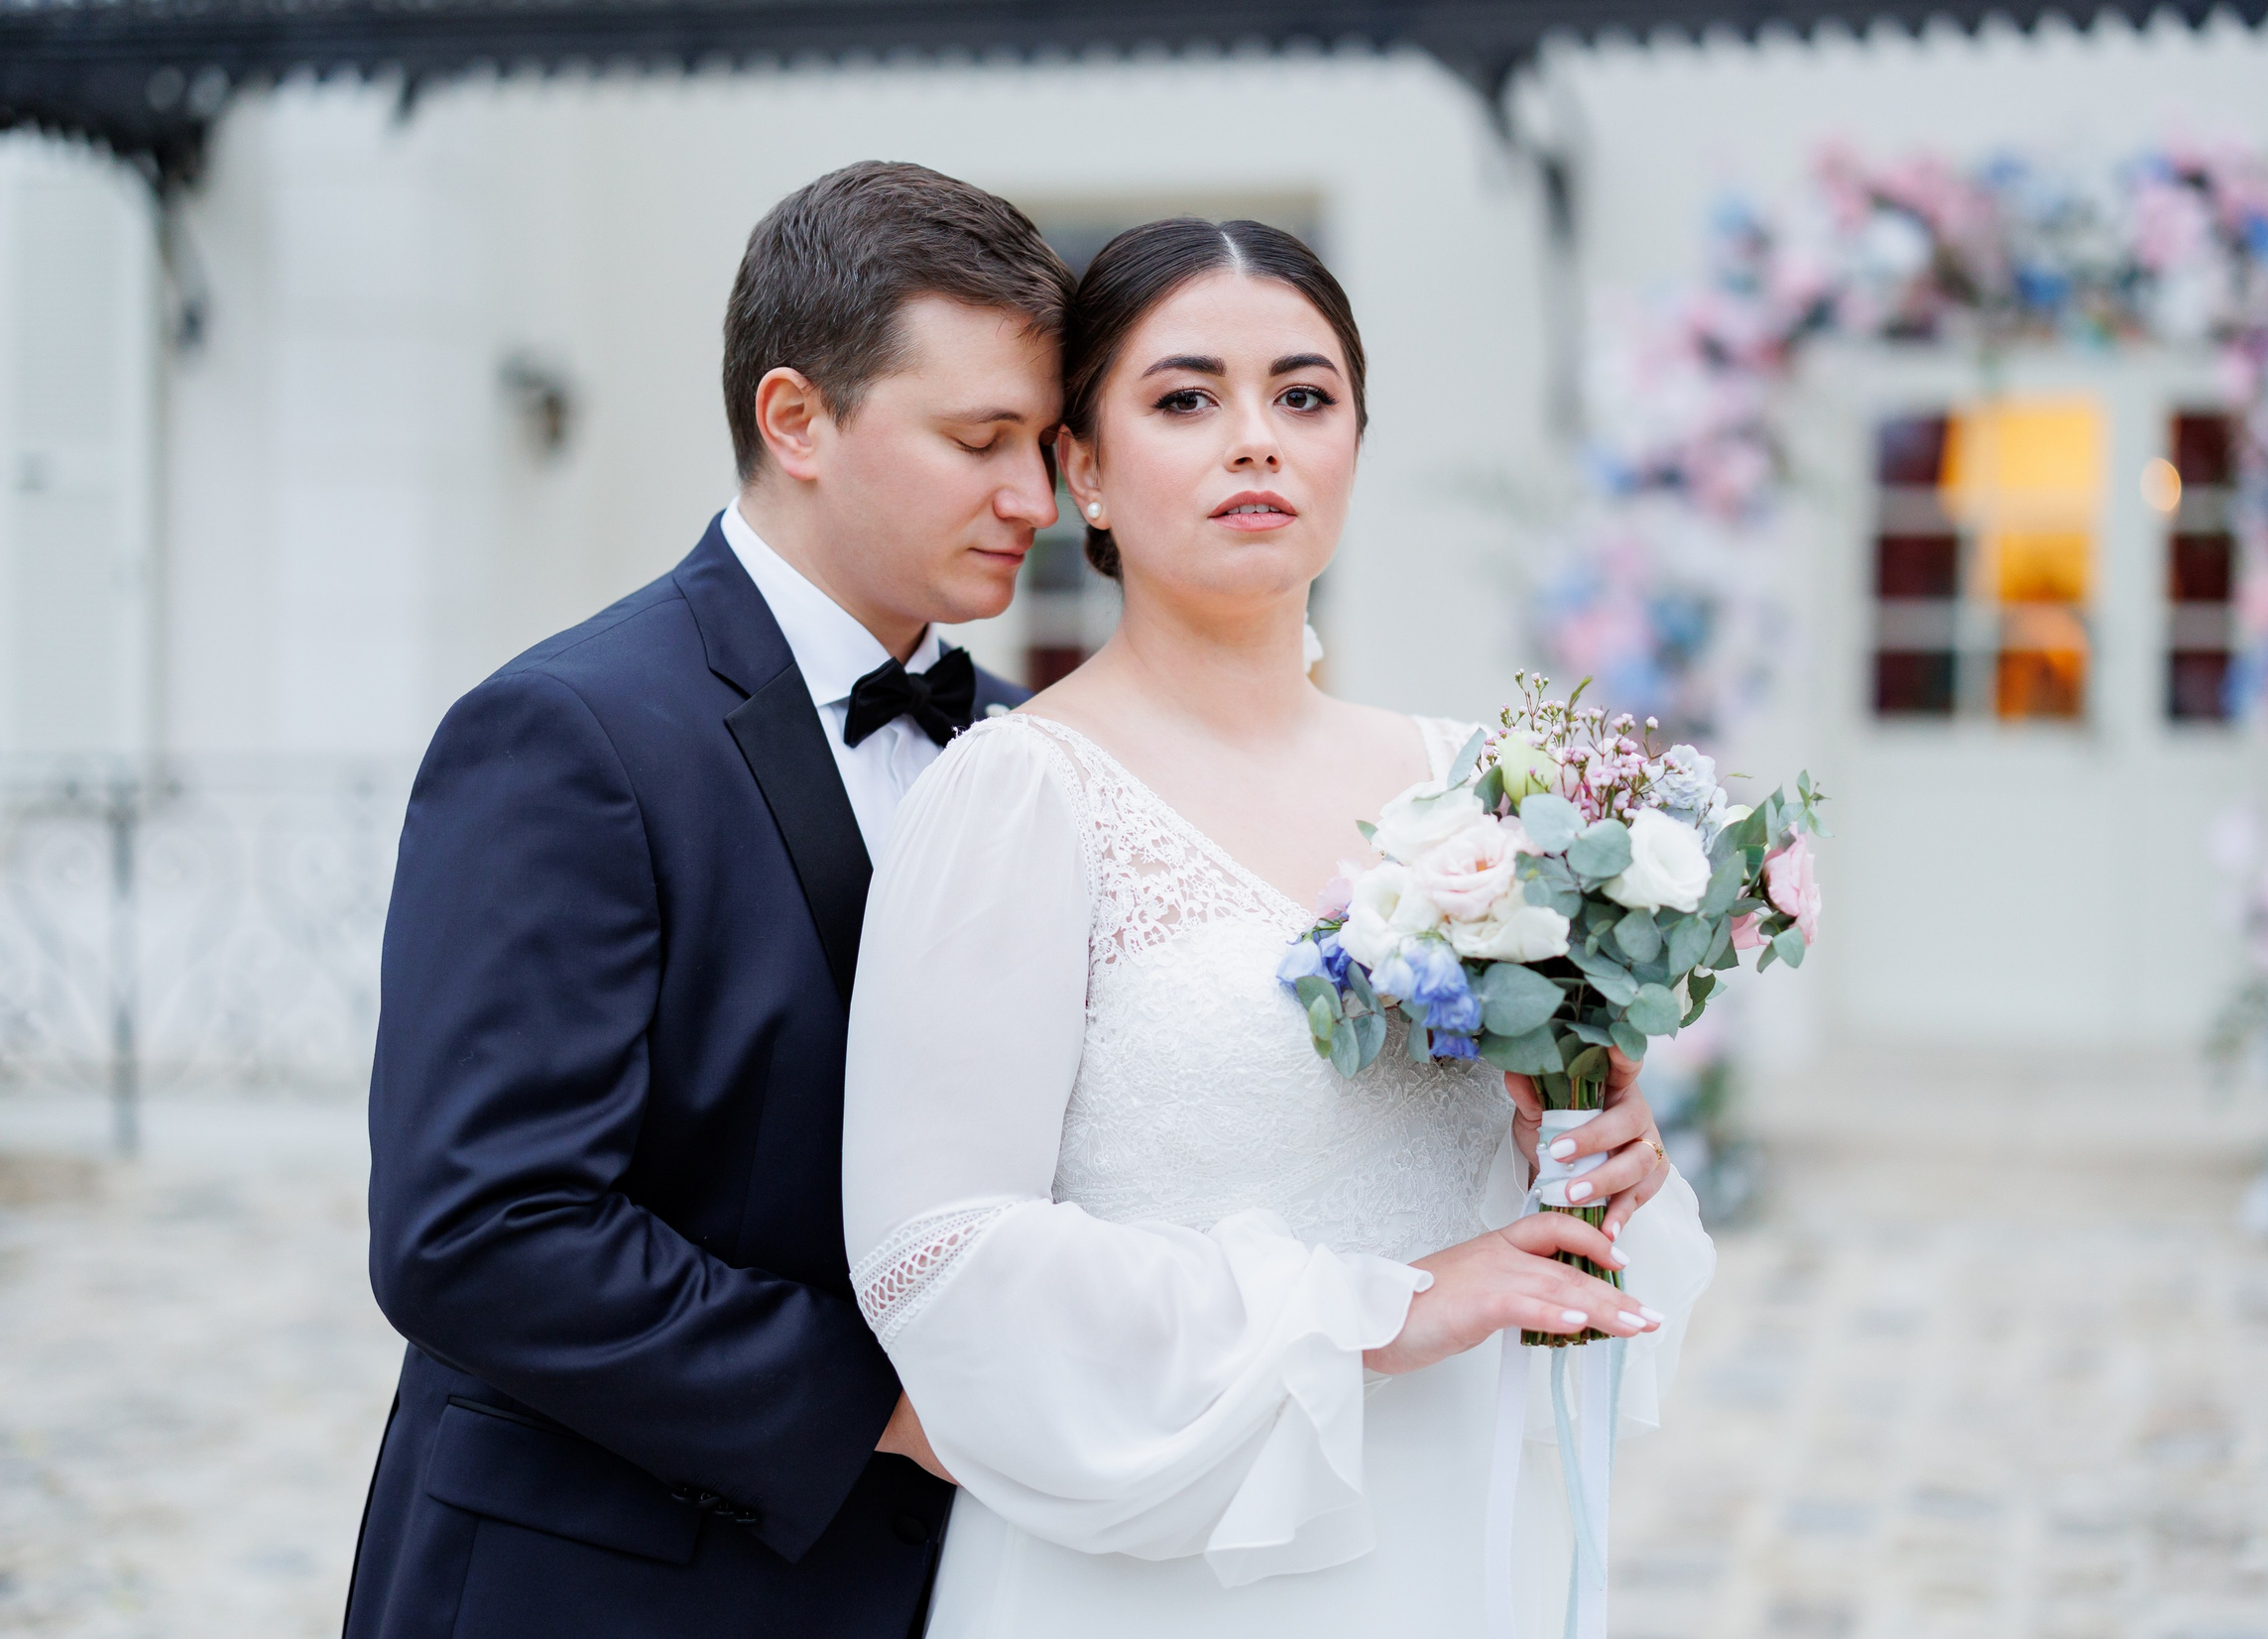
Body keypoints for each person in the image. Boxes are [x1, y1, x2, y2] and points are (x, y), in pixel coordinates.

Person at [841, 218, 1716, 1636]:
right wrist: (1376, 1311)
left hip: (1462, 1529)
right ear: (1084, 470)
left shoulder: (1479, 787)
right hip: (1166, 1563)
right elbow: (935, 1255)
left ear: (1355, 444)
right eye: (1187, 399)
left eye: (1304, 396)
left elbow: (1554, 1210)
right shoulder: (1017, 794)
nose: (1257, 439)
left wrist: (1602, 1150)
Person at [346, 162, 1068, 1639]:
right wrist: (885, 1406)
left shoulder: (1039, 751)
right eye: (979, 440)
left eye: (1047, 444)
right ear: (795, 419)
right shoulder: (567, 733)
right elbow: (480, 1229)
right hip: (597, 1582)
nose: (1035, 500)